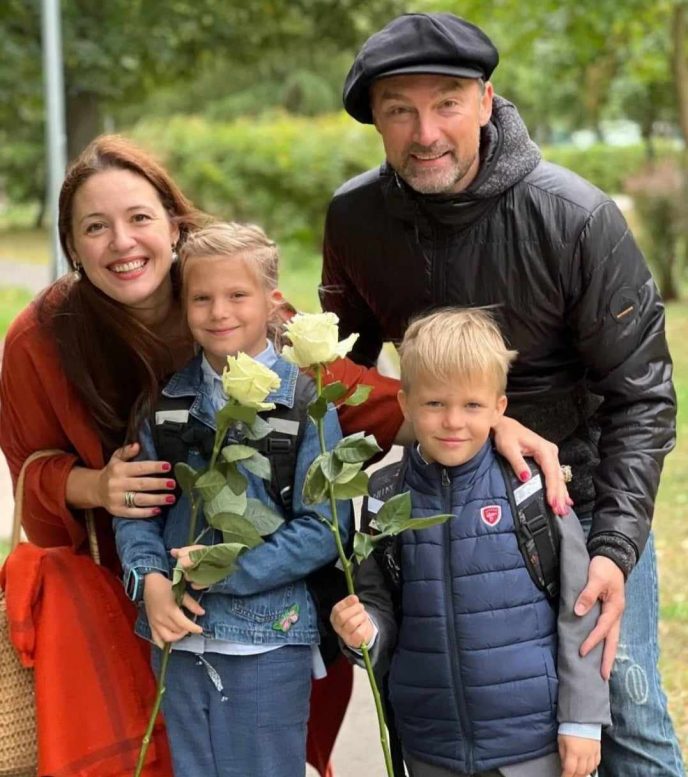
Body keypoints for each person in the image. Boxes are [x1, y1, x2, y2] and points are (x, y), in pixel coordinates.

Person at [0, 134, 565, 772]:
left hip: (267, 616)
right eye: (95, 227)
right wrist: (100, 491)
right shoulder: (44, 339)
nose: (122, 242)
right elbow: (31, 477)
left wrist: (478, 417)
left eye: (139, 218)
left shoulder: (230, 285)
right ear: (71, 244)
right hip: (135, 593)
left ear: (174, 225)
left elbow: (341, 396)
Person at [321, 12, 682, 777]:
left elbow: (643, 396)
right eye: (400, 110)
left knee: (625, 709)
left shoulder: (575, 216)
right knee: (453, 712)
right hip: (440, 510)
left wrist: (614, 548)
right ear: (375, 120)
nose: (426, 132)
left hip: (579, 502)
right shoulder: (354, 220)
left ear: (486, 101)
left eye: (447, 103)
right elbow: (337, 373)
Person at [112, 221, 350, 776]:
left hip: (268, 640)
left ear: (272, 302)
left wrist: (227, 569)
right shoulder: (167, 404)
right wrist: (150, 580)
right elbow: (138, 509)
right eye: (202, 298)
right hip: (177, 640)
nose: (219, 312)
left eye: (237, 295)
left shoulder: (307, 407)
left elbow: (325, 526)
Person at [332, 308, 611, 777]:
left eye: (472, 406)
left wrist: (582, 720)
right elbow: (380, 605)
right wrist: (365, 632)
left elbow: (579, 607)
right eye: (434, 404)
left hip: (533, 745)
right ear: (404, 403)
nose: (453, 421)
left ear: (499, 408)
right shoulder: (384, 497)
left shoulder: (529, 488)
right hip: (430, 745)